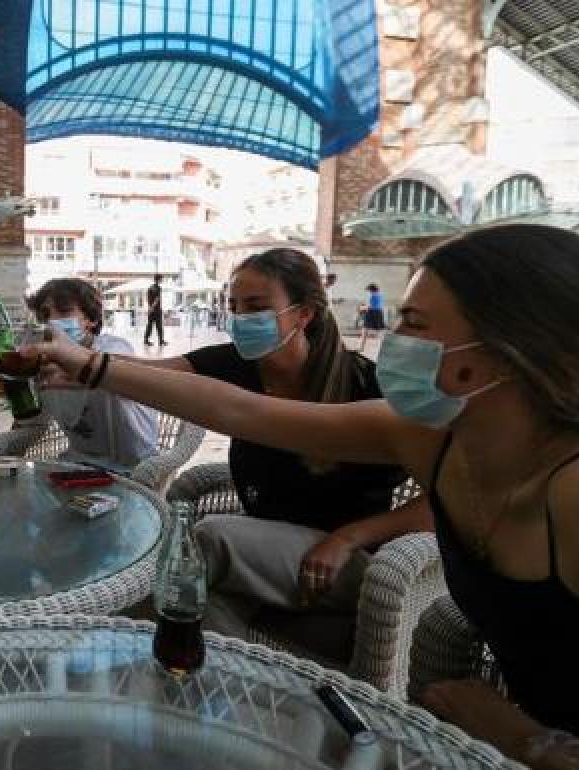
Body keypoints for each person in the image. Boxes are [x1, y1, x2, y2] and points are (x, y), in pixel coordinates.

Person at [30, 224, 579, 767]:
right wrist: (87, 366)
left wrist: (529, 741)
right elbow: (237, 408)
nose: (392, 342)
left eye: (413, 326)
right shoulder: (432, 439)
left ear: (498, 356)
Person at [113, 249, 429, 652]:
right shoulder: (240, 364)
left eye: (256, 307)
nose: (241, 318)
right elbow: (145, 372)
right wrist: (76, 362)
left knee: (206, 540)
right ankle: (234, 674)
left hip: (349, 563)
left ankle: (124, 650)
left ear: (305, 313)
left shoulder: (365, 386)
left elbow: (445, 505)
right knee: (199, 600)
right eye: (234, 307)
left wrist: (348, 538)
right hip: (271, 560)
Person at [24, 278, 157, 473]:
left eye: (64, 311)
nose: (52, 321)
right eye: (45, 315)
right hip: (77, 464)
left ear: (91, 319)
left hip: (133, 468)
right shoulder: (44, 363)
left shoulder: (113, 347)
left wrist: (73, 368)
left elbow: (112, 367)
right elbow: (33, 418)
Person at [359, 282, 386, 351]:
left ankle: (361, 347)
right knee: (380, 330)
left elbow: (369, 306)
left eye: (368, 290)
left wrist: (361, 308)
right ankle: (385, 347)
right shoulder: (380, 295)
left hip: (371, 312)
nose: (368, 292)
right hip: (379, 312)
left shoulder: (371, 296)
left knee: (365, 330)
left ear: (371, 290)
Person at [143, 273, 166, 346]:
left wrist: (150, 308)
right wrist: (152, 307)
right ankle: (161, 341)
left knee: (149, 325)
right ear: (159, 279)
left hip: (151, 310)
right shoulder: (158, 288)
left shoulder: (150, 287)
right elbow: (157, 299)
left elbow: (147, 298)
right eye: (161, 279)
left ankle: (146, 340)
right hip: (156, 310)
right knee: (159, 326)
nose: (162, 280)